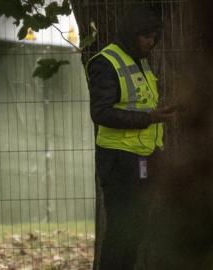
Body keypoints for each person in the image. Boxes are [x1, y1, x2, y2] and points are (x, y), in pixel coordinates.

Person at [86, 6, 176, 270]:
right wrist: (149, 118)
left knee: (135, 230)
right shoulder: (106, 62)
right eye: (146, 37)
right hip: (119, 160)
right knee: (121, 233)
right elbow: (101, 112)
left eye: (154, 37)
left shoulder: (140, 60)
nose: (151, 43)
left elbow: (139, 103)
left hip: (142, 158)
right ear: (131, 34)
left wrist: (160, 113)